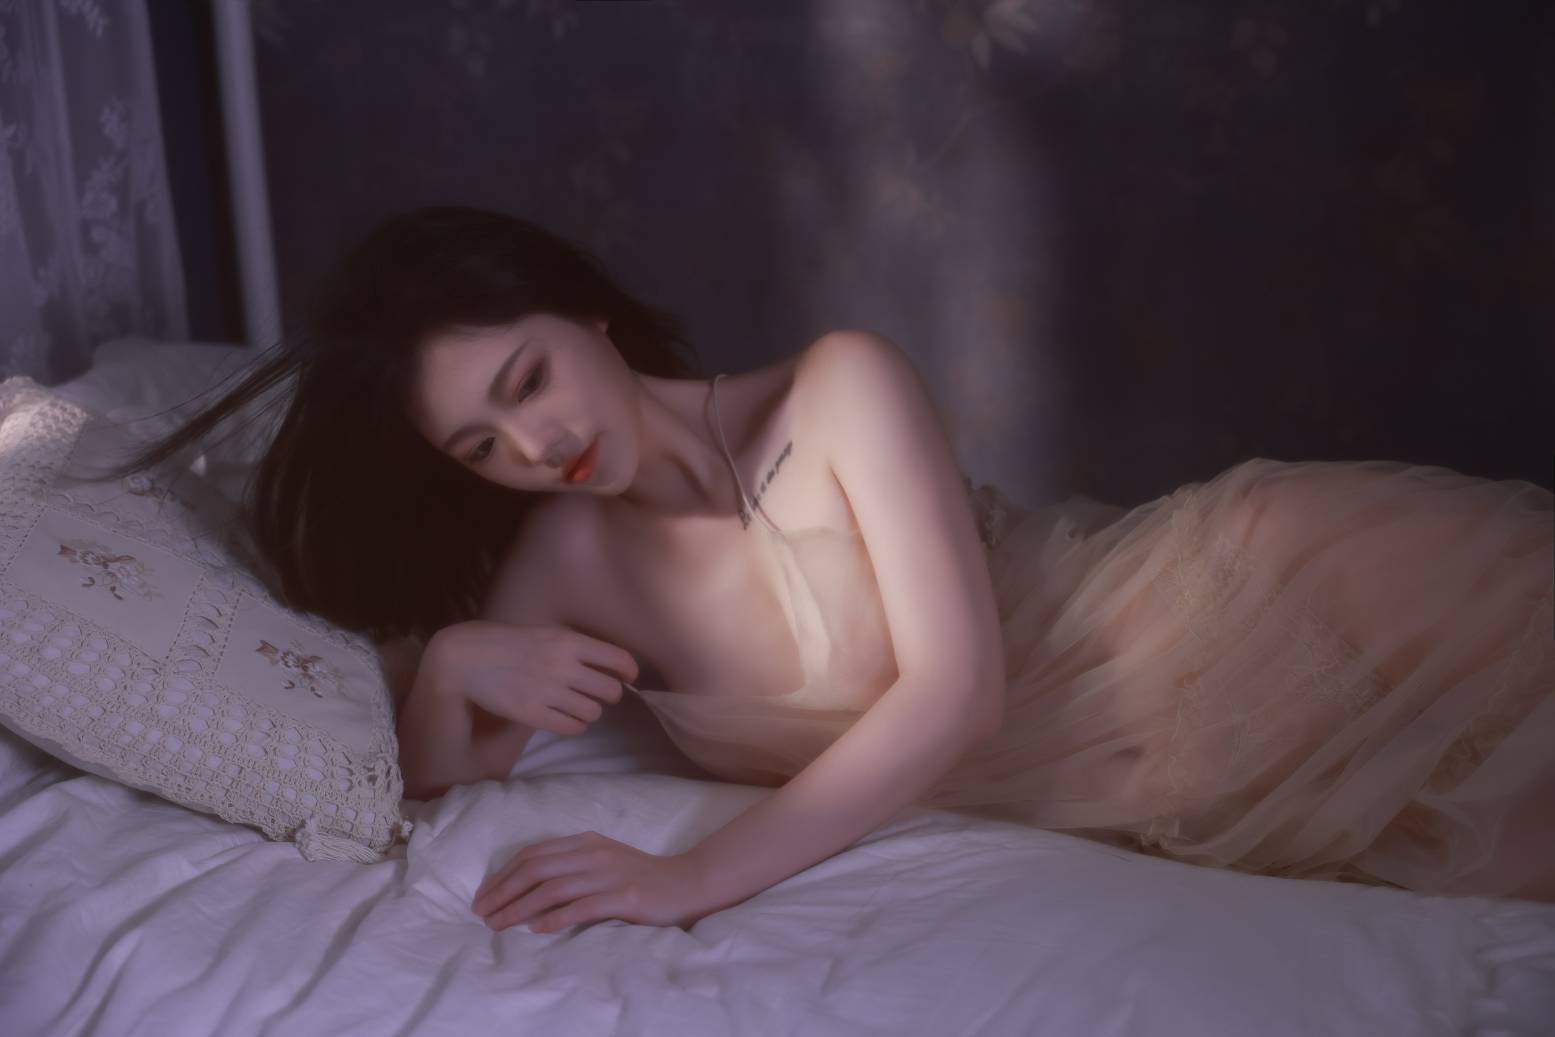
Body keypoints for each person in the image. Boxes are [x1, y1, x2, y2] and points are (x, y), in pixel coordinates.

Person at [105, 206, 1555, 935]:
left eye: (529, 379)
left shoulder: (839, 386)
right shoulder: (567, 557)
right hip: (1158, 767)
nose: (535, 445)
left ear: (588, 314)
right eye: (481, 444)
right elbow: (444, 783)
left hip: (1237, 605)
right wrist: (451, 668)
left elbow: (960, 694)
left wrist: (692, 878)